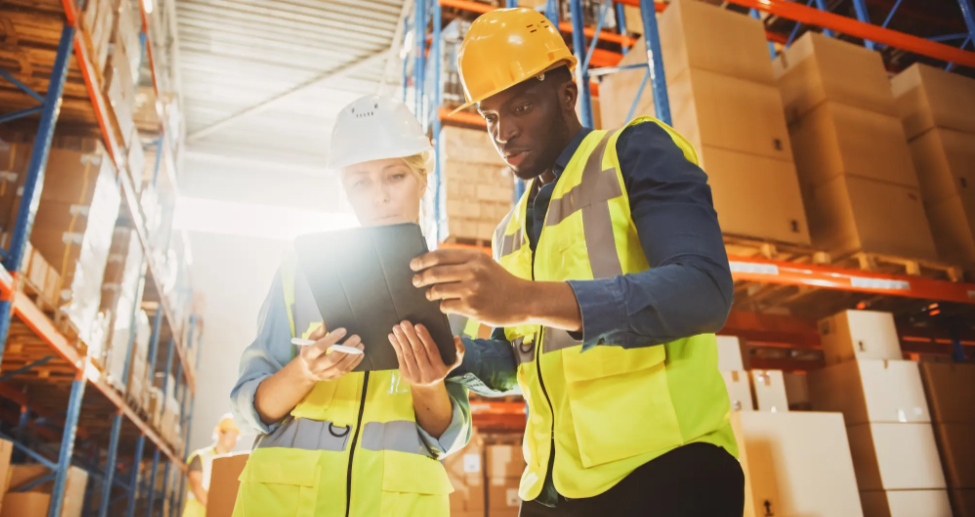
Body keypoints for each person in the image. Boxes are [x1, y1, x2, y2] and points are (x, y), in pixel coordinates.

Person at [416, 8, 745, 517]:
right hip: (553, 488)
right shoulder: (510, 230)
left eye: (521, 107)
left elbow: (704, 290)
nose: (503, 133)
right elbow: (514, 367)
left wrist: (524, 299)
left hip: (665, 471)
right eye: (490, 117)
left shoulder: (635, 151)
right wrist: (455, 356)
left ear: (568, 94)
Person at [229, 96, 471, 517]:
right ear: (346, 192)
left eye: (395, 176)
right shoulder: (301, 271)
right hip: (286, 503)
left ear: (422, 180)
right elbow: (251, 408)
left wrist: (427, 384)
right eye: (361, 183)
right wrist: (304, 372)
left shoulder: (453, 283)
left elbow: (447, 436)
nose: (380, 197)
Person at [181, 414, 241, 517]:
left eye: (236, 437)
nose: (233, 441)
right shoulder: (200, 457)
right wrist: (218, 511)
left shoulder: (233, 464)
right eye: (231, 435)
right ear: (220, 434)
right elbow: (197, 488)